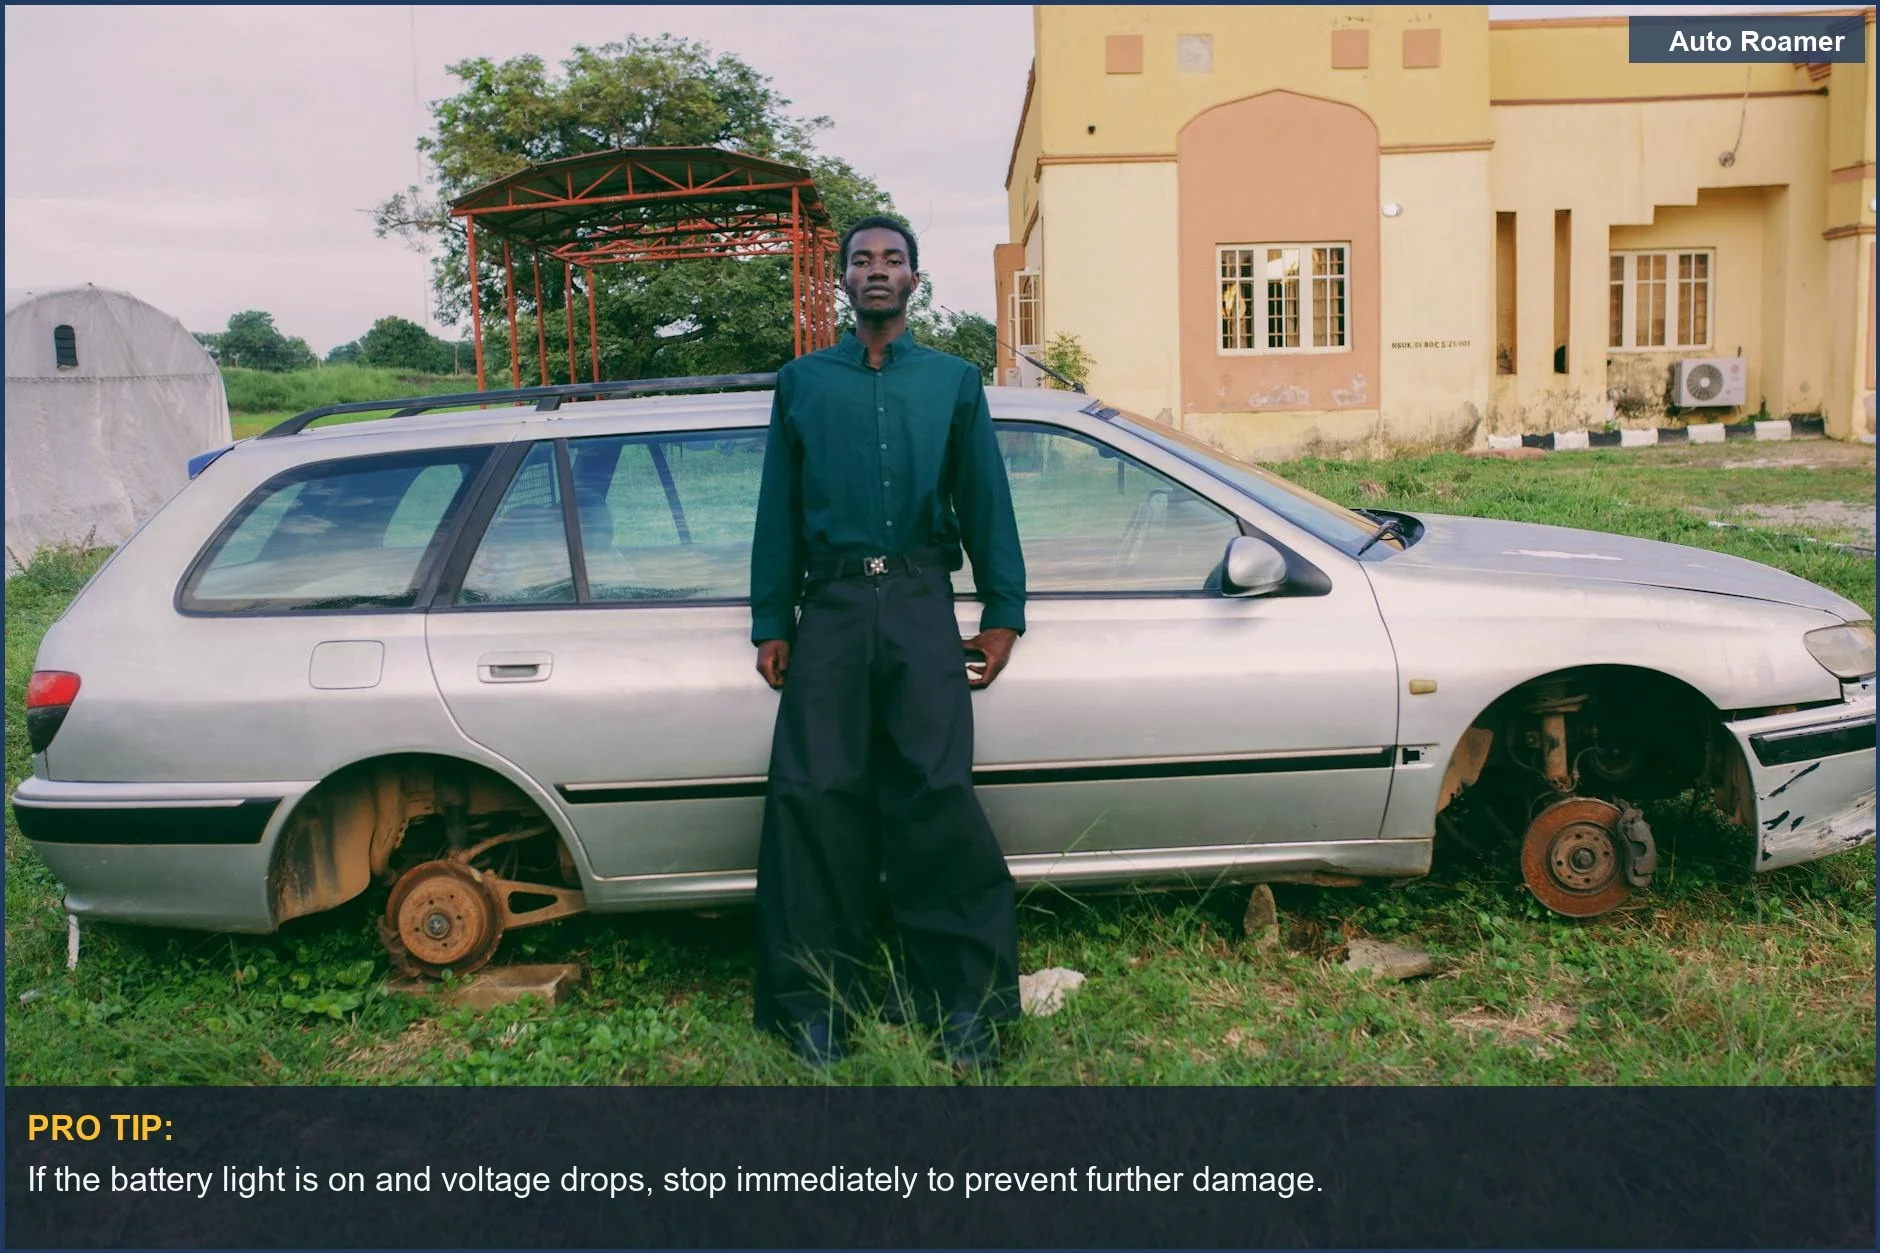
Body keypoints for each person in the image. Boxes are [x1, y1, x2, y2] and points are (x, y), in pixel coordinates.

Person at [748, 214, 1026, 1073]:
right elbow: (776, 512)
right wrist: (772, 621)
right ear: (842, 279)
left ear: (915, 279)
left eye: (893, 259)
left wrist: (1005, 610)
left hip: (917, 601)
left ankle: (966, 1010)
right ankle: (811, 1009)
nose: (877, 270)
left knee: (935, 797)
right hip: (829, 605)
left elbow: (985, 497)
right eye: (862, 259)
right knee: (812, 800)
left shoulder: (950, 381)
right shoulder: (802, 382)